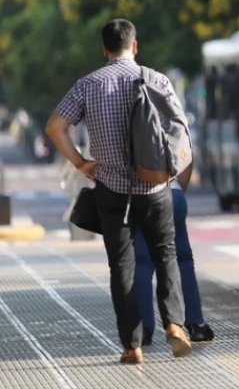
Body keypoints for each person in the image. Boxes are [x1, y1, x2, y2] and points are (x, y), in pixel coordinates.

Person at [45, 18, 192, 365]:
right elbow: (179, 133)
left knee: (121, 267)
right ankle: (175, 324)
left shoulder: (88, 85)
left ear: (105, 49)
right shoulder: (157, 80)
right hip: (155, 187)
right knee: (166, 255)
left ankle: (132, 346)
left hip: (111, 190)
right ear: (135, 46)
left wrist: (81, 163)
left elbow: (55, 127)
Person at [133, 175, 214, 346]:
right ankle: (196, 324)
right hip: (171, 192)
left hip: (133, 197)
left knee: (142, 263)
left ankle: (143, 330)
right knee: (182, 259)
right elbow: (186, 163)